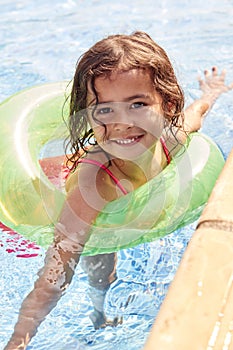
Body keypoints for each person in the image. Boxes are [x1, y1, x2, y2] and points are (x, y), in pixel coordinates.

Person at [4, 31, 233, 350]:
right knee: (99, 268)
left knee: (107, 276)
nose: (122, 123)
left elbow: (195, 115)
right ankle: (99, 316)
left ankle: (102, 314)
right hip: (82, 205)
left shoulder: (170, 139)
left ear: (166, 105)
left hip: (123, 202)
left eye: (137, 104)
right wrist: (19, 340)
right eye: (105, 109)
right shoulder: (94, 184)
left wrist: (210, 93)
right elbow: (56, 271)